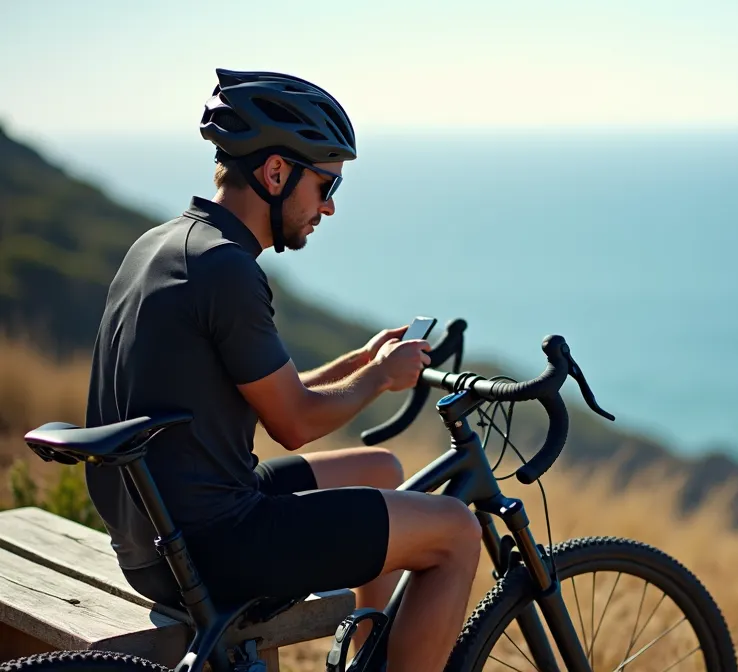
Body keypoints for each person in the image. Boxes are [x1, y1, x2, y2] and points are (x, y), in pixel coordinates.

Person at [84, 68, 480, 672]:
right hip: (215, 544)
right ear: (275, 172)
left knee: (380, 466)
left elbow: (272, 395)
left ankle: (368, 655)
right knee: (455, 531)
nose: (327, 206)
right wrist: (380, 378)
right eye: (326, 185)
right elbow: (293, 424)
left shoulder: (168, 244)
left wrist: (361, 363)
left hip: (155, 532)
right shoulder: (227, 270)